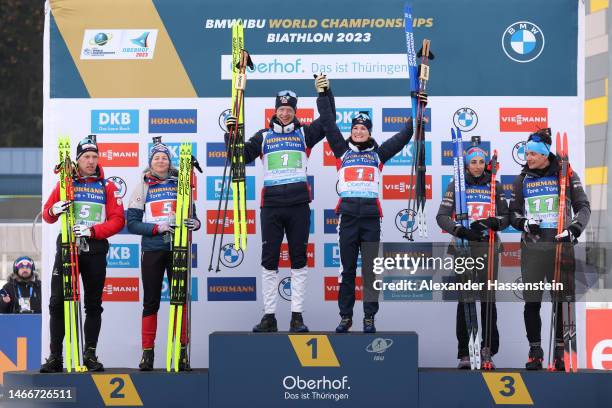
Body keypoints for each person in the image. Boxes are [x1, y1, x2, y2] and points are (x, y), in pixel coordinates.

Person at [224, 75, 333, 332]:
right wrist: (231, 134)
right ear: (275, 110)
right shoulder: (262, 136)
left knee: (298, 259)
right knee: (269, 260)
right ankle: (269, 316)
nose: (285, 113)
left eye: (290, 110)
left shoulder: (305, 133)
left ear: (295, 111)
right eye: (281, 109)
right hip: (271, 205)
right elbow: (238, 157)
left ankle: (297, 316)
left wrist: (325, 94)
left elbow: (329, 120)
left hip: (298, 205)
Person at [322, 110, 414, 333]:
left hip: (371, 220)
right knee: (347, 271)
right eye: (355, 128)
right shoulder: (342, 151)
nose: (358, 131)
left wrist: (416, 115)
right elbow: (328, 124)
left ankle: (369, 317)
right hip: (348, 220)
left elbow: (402, 138)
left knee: (371, 272)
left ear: (369, 132)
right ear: (351, 132)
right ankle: (346, 317)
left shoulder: (378, 155)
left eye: (363, 129)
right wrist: (323, 94)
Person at [40, 135, 125, 373]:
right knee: (57, 302)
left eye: (94, 156)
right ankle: (56, 356)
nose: (91, 161)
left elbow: (118, 220)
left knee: (93, 304)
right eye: (86, 157)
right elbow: (46, 215)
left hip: (94, 248)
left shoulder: (107, 186)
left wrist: (93, 230)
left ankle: (89, 354)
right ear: (77, 160)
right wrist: (54, 209)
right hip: (68, 245)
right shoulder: (66, 183)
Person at [509, 128, 590, 370]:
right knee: (531, 303)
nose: (528, 158)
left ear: (545, 154)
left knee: (561, 302)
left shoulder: (567, 174)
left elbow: (583, 207)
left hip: (560, 248)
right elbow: (513, 213)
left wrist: (573, 230)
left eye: (533, 154)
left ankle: (560, 351)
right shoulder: (522, 178)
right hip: (532, 250)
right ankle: (535, 351)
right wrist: (523, 223)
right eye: (527, 153)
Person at [128, 138, 200, 371]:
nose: (161, 161)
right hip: (153, 249)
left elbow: (194, 217)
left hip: (178, 248)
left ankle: (181, 352)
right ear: (150, 163)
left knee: (179, 300)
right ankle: (147, 353)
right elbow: (132, 224)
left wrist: (195, 223)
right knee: (151, 302)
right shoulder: (143, 185)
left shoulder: (181, 183)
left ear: (170, 162)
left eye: (165, 157)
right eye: (157, 158)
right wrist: (157, 228)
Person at [436, 140, 509, 369]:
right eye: (473, 162)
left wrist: (494, 222)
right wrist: (460, 230)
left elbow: (506, 218)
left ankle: (487, 348)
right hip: (463, 248)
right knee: (465, 300)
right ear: (466, 166)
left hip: (488, 247)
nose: (477, 166)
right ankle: (466, 351)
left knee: (488, 300)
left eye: (480, 162)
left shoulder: (494, 186)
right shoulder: (455, 185)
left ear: (486, 164)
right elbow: (442, 216)